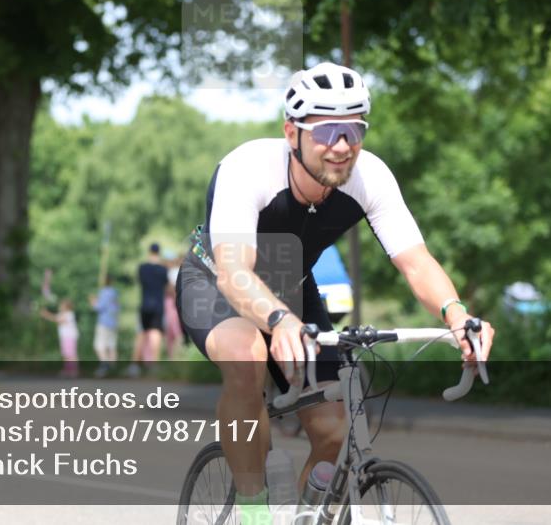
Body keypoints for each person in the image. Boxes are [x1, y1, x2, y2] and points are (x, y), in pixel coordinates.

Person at [175, 62, 495, 522]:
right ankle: (253, 511)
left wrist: (456, 315)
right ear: (292, 133)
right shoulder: (248, 168)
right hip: (216, 283)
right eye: (326, 132)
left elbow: (416, 261)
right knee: (246, 359)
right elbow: (234, 272)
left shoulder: (370, 177)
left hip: (293, 291)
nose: (342, 146)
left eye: (354, 130)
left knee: (334, 429)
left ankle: (307, 515)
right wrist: (278, 321)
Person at [127, 243, 169, 376]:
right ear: (159, 252)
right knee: (156, 334)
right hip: (158, 305)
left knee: (141, 334)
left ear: (149, 252)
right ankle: (154, 365)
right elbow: (167, 287)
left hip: (144, 304)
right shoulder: (163, 269)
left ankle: (134, 365)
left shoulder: (142, 268)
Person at [41, 299, 79, 378]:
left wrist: (46, 314)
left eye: (62, 305)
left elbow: (58, 320)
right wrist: (46, 315)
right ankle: (68, 370)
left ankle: (74, 371)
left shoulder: (69, 314)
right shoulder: (62, 314)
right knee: (66, 354)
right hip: (65, 337)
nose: (60, 307)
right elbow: (55, 317)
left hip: (70, 336)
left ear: (66, 307)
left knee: (71, 354)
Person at [90, 275, 120, 377]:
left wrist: (93, 302)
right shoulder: (115, 293)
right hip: (113, 322)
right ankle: (113, 367)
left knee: (99, 345)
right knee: (111, 345)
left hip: (104, 322)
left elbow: (99, 307)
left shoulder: (104, 292)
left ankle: (105, 364)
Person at [163, 255, 184, 359]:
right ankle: (174, 357)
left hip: (171, 304)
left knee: (174, 333)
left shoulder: (172, 272)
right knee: (175, 332)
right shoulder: (176, 271)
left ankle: (174, 357)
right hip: (173, 304)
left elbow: (171, 288)